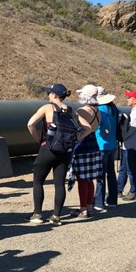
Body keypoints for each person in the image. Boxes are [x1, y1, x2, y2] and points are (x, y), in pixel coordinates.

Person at [26, 84, 75, 226]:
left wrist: (39, 139)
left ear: (54, 95)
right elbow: (86, 128)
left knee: (38, 181)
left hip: (48, 149)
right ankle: (56, 216)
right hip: (65, 151)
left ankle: (37, 214)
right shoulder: (71, 110)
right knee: (59, 184)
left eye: (49, 93)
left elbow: (30, 124)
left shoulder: (47, 107)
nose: (48, 95)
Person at [68, 84, 102, 218]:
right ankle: (89, 206)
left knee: (81, 179)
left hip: (82, 145)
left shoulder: (81, 111)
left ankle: (83, 209)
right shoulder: (97, 111)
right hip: (94, 144)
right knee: (89, 179)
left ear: (85, 96)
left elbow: (79, 128)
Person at [118, 89, 136, 201]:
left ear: (135, 100)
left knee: (132, 170)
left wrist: (120, 136)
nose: (127, 99)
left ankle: (133, 192)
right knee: (123, 169)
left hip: (133, 146)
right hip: (129, 145)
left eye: (129, 97)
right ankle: (118, 189)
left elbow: (130, 130)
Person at [93, 86, 119, 211]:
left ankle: (98, 202)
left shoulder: (100, 109)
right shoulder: (114, 108)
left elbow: (102, 127)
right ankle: (112, 200)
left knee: (100, 175)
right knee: (111, 173)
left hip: (101, 144)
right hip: (112, 144)